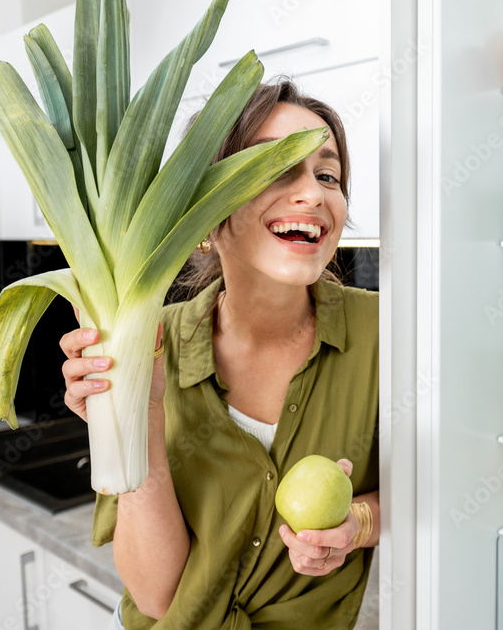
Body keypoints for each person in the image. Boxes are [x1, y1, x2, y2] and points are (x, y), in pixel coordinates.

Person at [59, 78, 380, 630]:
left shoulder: (387, 332)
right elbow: (158, 600)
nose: (314, 195)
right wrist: (142, 411)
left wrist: (359, 522)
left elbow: (442, 479)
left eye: (328, 175)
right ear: (203, 215)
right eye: (276, 168)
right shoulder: (142, 346)